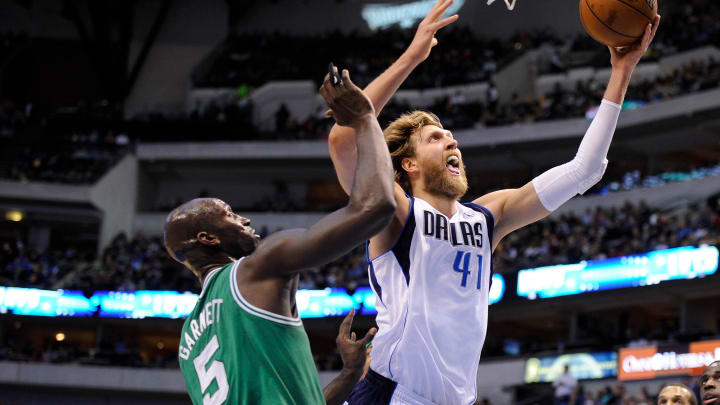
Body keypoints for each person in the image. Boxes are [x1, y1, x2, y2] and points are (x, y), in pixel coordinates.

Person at [328, 0, 661, 402]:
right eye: (434, 138)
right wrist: (412, 57)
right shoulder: (396, 212)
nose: (451, 140)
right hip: (395, 393)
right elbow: (344, 140)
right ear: (408, 164)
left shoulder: (488, 216)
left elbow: (585, 169)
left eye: (450, 135)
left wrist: (621, 73)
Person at [165, 68, 396, 405]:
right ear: (208, 238)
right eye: (229, 215)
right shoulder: (257, 268)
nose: (243, 219)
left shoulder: (189, 339)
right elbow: (376, 207)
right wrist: (363, 118)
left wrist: (349, 374)